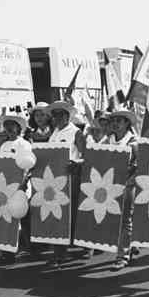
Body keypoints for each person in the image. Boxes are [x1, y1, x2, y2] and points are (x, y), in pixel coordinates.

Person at [46, 101, 85, 266]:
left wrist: (76, 163)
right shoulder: (53, 133)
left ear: (68, 116)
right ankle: (59, 252)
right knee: (58, 215)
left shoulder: (76, 133)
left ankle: (83, 246)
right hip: (55, 180)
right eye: (55, 115)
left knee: (73, 215)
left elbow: (87, 156)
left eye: (61, 114)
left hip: (72, 179)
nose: (58, 117)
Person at [0, 115, 33, 265]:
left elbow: (29, 165)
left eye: (13, 125)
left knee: (24, 219)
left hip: (21, 186)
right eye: (7, 125)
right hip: (6, 187)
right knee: (8, 219)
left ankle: (30, 248)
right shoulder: (4, 145)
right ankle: (8, 252)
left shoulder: (24, 144)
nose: (10, 128)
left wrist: (23, 183)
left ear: (19, 127)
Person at [108, 109, 140, 272]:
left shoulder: (134, 142)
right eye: (113, 120)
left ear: (127, 123)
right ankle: (131, 245)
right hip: (110, 186)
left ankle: (122, 256)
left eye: (119, 120)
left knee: (125, 220)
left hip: (128, 185)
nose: (115, 123)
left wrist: (129, 178)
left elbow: (140, 166)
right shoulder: (108, 140)